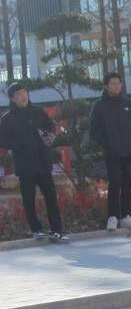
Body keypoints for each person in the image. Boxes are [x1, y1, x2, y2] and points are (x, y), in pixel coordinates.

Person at [0, 83, 69, 242]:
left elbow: (50, 125)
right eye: (18, 94)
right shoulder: (8, 118)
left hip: (43, 161)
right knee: (29, 199)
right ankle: (36, 230)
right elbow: (3, 140)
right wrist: (18, 145)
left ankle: (56, 230)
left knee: (51, 197)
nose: (23, 96)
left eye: (24, 92)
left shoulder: (38, 111)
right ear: (12, 98)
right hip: (24, 165)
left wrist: (50, 135)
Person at [89, 72, 131, 231]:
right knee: (114, 183)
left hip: (128, 152)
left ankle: (126, 216)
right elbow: (94, 130)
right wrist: (107, 145)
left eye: (118, 83)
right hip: (112, 152)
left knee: (127, 183)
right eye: (113, 83)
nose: (116, 86)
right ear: (106, 86)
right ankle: (112, 217)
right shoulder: (99, 106)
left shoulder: (128, 104)